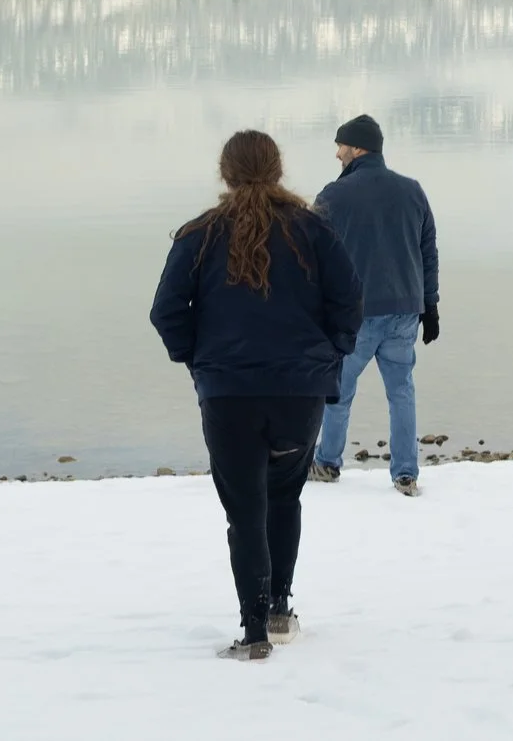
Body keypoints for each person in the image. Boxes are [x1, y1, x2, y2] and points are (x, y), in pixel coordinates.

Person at [150, 130, 362, 661]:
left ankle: (253, 632)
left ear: (225, 172)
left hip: (228, 393)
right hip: (299, 391)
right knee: (284, 497)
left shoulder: (198, 235)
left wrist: (198, 362)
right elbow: (349, 304)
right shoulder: (313, 230)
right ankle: (279, 609)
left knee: (245, 510)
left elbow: (167, 312)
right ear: (277, 168)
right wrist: (328, 355)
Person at [309, 114, 439, 496]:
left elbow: (313, 262)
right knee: (401, 392)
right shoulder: (412, 191)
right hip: (404, 311)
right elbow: (427, 253)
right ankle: (405, 474)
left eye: (341, 146)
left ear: (358, 148)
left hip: (356, 315)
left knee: (338, 391)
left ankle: (328, 463)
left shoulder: (333, 197)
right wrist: (429, 307)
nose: (337, 153)